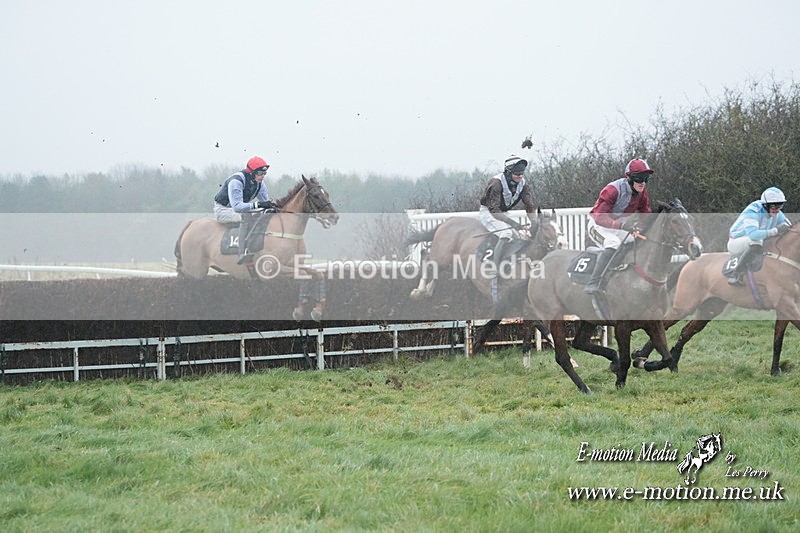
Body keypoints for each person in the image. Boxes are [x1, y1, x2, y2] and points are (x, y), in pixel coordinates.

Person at [583, 158, 653, 295]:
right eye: (639, 178)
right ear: (630, 178)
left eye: (646, 178)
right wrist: (621, 225)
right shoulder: (612, 190)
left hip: (618, 227)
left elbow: (645, 213)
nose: (643, 183)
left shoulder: (642, 192)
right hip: (597, 225)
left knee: (634, 242)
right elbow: (600, 217)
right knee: (613, 242)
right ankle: (594, 282)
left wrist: (648, 230)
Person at [479, 154, 539, 273]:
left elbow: (529, 205)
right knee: (506, 233)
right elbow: (494, 210)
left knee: (519, 236)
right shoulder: (496, 183)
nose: (519, 177)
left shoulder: (523, 185)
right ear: (508, 172)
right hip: (489, 212)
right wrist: (513, 223)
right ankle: (495, 267)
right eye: (516, 174)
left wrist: (534, 221)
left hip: (503, 212)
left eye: (521, 174)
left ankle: (509, 261)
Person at [213, 156, 276, 264]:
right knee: (246, 216)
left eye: (264, 174)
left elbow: (265, 202)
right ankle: (242, 253)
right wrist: (258, 205)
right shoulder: (236, 181)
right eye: (260, 173)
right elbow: (237, 207)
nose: (262, 177)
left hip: (240, 209)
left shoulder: (260, 184)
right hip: (223, 210)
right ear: (251, 173)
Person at [726, 186, 792, 285]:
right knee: (758, 241)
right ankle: (736, 274)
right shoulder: (753, 210)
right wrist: (776, 230)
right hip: (736, 242)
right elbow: (754, 235)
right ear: (765, 205)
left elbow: (789, 227)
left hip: (753, 241)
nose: (777, 209)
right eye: (774, 206)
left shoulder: (776, 211)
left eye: (780, 205)